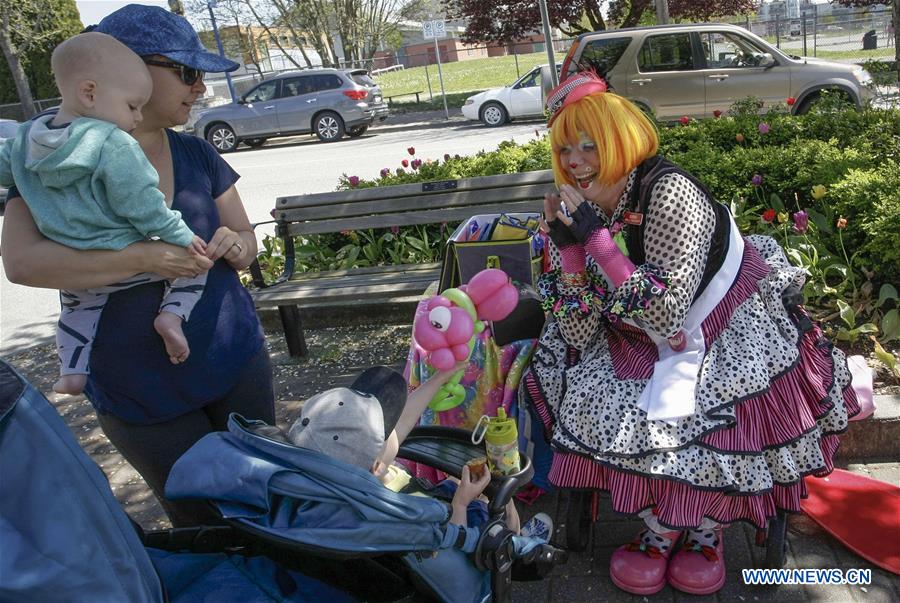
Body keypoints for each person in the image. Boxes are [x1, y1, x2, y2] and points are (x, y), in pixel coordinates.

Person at [519, 71, 859, 595]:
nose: (576, 161)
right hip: (635, 328)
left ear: (621, 141)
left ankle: (704, 528)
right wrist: (568, 248)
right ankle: (660, 525)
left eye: (591, 146)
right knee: (595, 394)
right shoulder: (584, 207)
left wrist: (600, 244)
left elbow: (668, 316)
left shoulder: (669, 194)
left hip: (720, 320)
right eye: (566, 149)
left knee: (707, 414)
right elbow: (580, 332)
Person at [0, 4, 274, 527]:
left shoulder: (197, 153)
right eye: (188, 72)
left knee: (265, 498)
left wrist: (239, 247)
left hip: (235, 360)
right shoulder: (49, 160)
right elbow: (21, 263)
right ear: (128, 66)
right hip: (138, 390)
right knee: (202, 528)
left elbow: (244, 236)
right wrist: (144, 257)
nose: (200, 88)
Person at [0, 32, 208, 396]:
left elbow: (6, 170)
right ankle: (171, 317)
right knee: (194, 272)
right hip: (128, 251)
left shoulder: (25, 142)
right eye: (131, 106)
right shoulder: (112, 143)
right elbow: (143, 203)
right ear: (90, 93)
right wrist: (181, 236)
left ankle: (72, 370)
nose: (137, 116)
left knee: (76, 311)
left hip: (76, 264)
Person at [287, 364, 553, 540]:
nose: (396, 427)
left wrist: (440, 378)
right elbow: (448, 554)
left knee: (454, 482)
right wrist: (460, 504)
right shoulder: (397, 516)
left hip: (426, 501)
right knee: (496, 496)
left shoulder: (341, 477)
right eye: (387, 428)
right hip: (450, 532)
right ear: (376, 465)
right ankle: (518, 545)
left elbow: (401, 425)